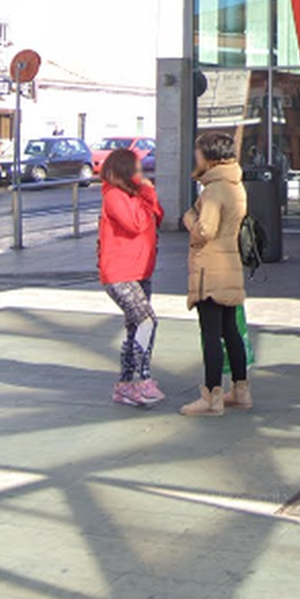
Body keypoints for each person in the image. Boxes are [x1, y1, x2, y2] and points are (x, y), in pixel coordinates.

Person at [181, 132, 250, 417]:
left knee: (210, 333)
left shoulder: (213, 190)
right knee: (230, 331)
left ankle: (212, 396)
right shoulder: (236, 185)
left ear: (208, 156)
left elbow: (205, 230)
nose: (195, 157)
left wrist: (190, 222)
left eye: (198, 152)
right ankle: (241, 390)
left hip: (210, 268)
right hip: (230, 264)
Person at [98, 148, 165, 407]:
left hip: (140, 270)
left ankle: (126, 383)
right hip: (120, 273)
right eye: (137, 170)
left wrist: (147, 194)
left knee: (134, 327)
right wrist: (145, 193)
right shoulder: (114, 196)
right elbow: (135, 223)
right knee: (147, 321)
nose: (141, 174)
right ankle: (140, 379)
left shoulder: (134, 194)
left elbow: (157, 215)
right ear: (125, 171)